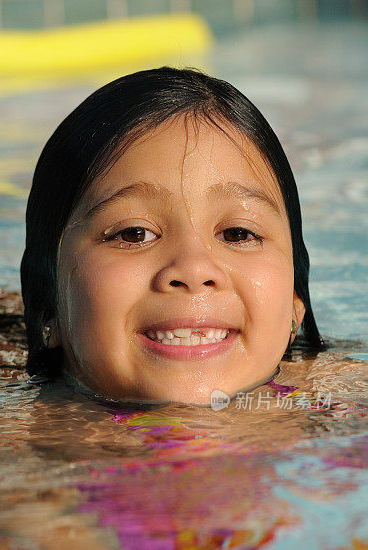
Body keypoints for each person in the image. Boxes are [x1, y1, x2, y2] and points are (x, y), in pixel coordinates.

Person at [21, 66, 326, 406]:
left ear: (294, 305)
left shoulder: (342, 413)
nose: (194, 270)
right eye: (134, 234)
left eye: (238, 233)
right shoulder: (5, 449)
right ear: (48, 307)